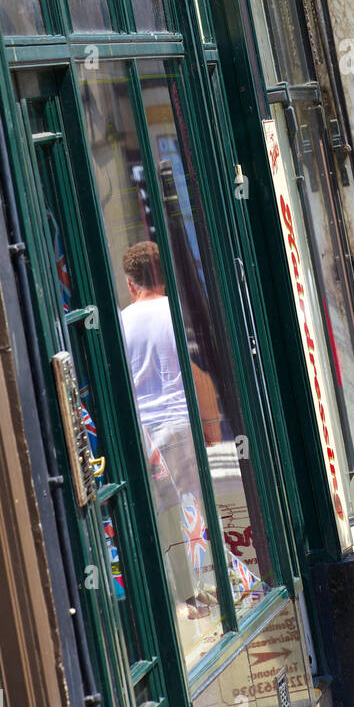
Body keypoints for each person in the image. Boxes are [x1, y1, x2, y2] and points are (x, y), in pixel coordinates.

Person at [120, 241, 208, 615]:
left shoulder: (122, 321)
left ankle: (185, 600)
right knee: (193, 506)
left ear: (130, 283)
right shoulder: (176, 311)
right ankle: (204, 587)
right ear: (161, 274)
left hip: (145, 427)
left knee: (166, 514)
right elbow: (194, 368)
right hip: (179, 420)